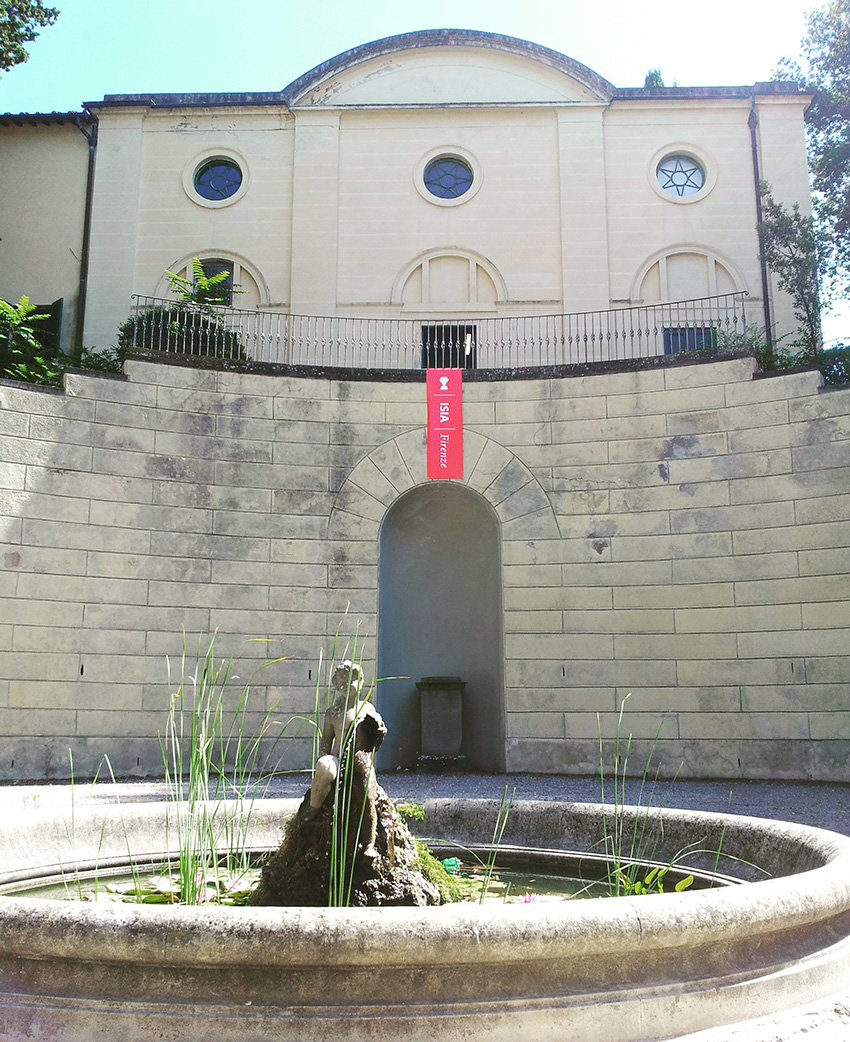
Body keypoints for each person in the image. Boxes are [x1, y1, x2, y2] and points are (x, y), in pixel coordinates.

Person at [299, 660, 387, 858]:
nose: (345, 685)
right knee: (325, 768)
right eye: (340, 681)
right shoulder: (333, 713)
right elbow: (326, 743)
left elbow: (374, 745)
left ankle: (369, 843)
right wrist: (323, 762)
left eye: (351, 681)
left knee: (367, 795)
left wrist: (381, 735)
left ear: (362, 682)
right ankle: (313, 807)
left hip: (361, 761)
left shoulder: (368, 710)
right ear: (334, 683)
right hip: (338, 760)